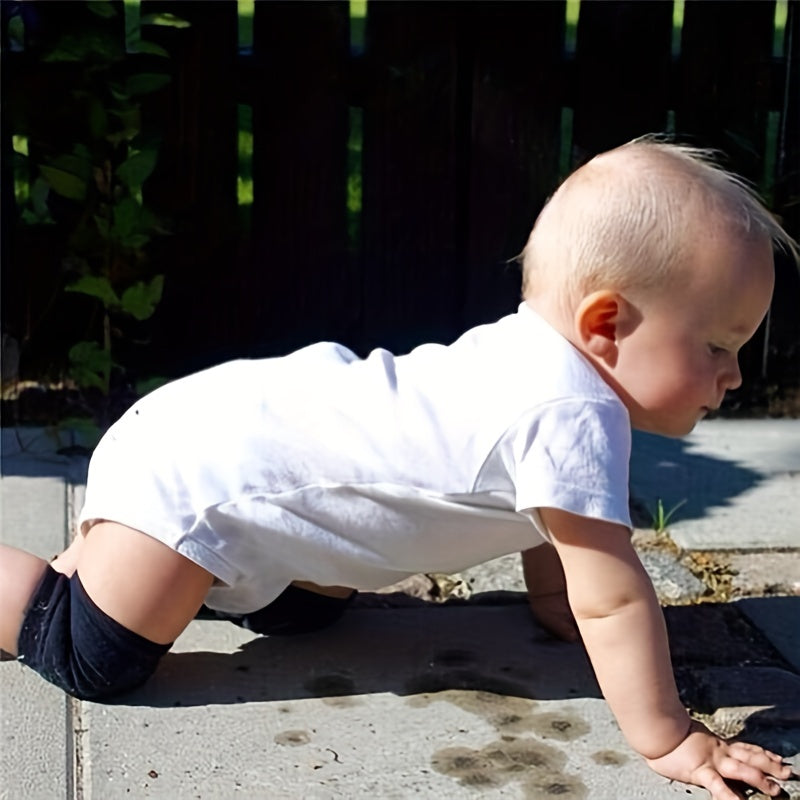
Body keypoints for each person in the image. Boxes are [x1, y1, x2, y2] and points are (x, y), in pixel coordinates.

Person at [1, 137, 796, 800]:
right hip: (197, 480)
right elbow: (615, 600)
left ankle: (123, 570)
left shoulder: (543, 375)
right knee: (92, 657)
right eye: (718, 347)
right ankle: (74, 579)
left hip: (239, 465)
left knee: (310, 615)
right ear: (607, 324)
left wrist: (554, 603)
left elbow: (556, 536)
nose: (733, 375)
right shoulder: (571, 414)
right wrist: (671, 740)